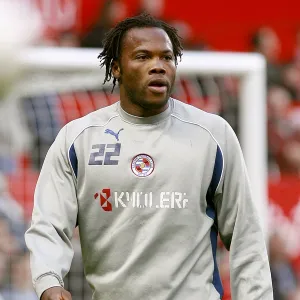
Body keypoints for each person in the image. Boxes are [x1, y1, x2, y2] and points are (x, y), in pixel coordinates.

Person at [25, 13, 273, 300]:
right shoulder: (78, 139)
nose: (158, 66)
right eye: (143, 57)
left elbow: (246, 237)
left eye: (166, 58)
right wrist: (48, 281)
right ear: (116, 67)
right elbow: (49, 225)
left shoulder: (213, 135)